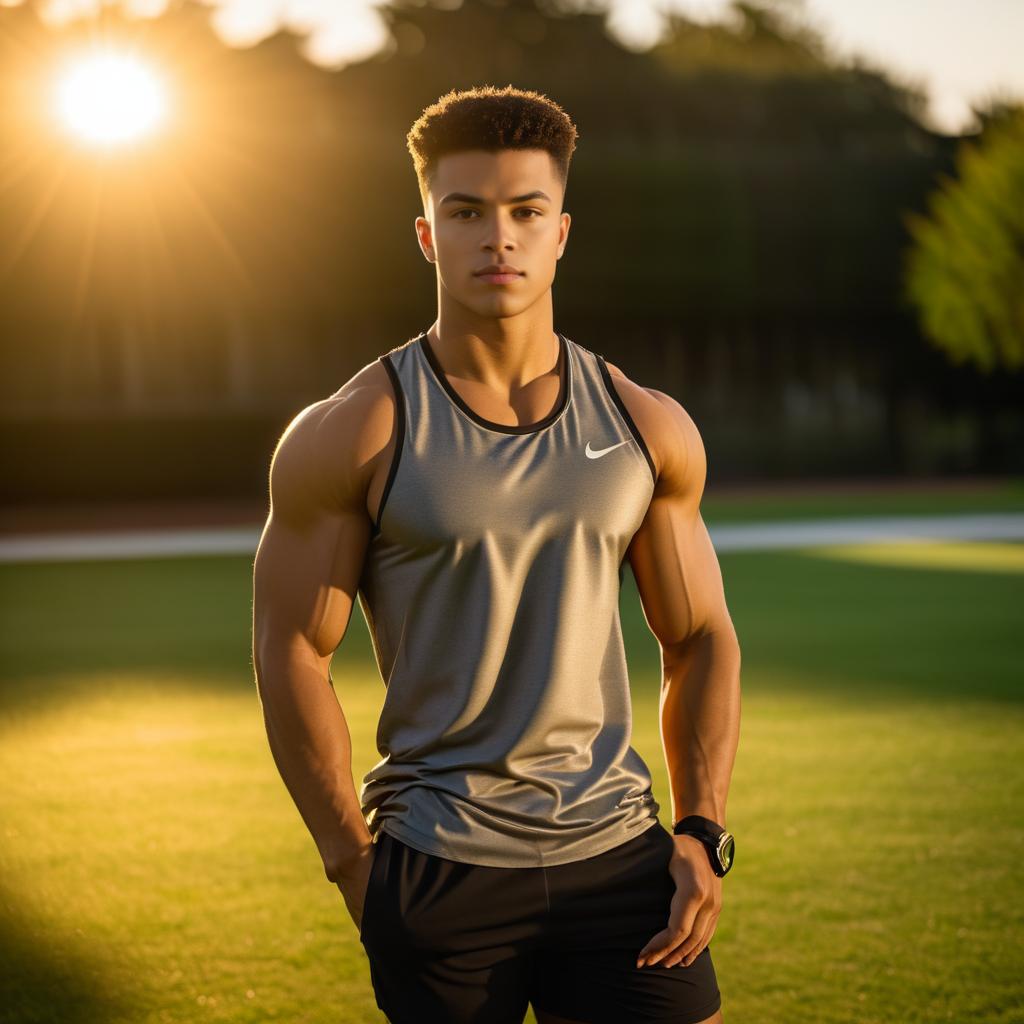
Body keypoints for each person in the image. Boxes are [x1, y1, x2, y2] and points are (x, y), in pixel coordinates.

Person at [252, 84, 741, 1024]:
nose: (500, 237)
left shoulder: (645, 426)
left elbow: (704, 635)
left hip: (618, 859)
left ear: (562, 231)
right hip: (439, 868)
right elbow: (291, 650)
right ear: (428, 235)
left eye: (526, 212)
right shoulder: (356, 431)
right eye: (466, 212)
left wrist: (702, 828)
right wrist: (352, 861)